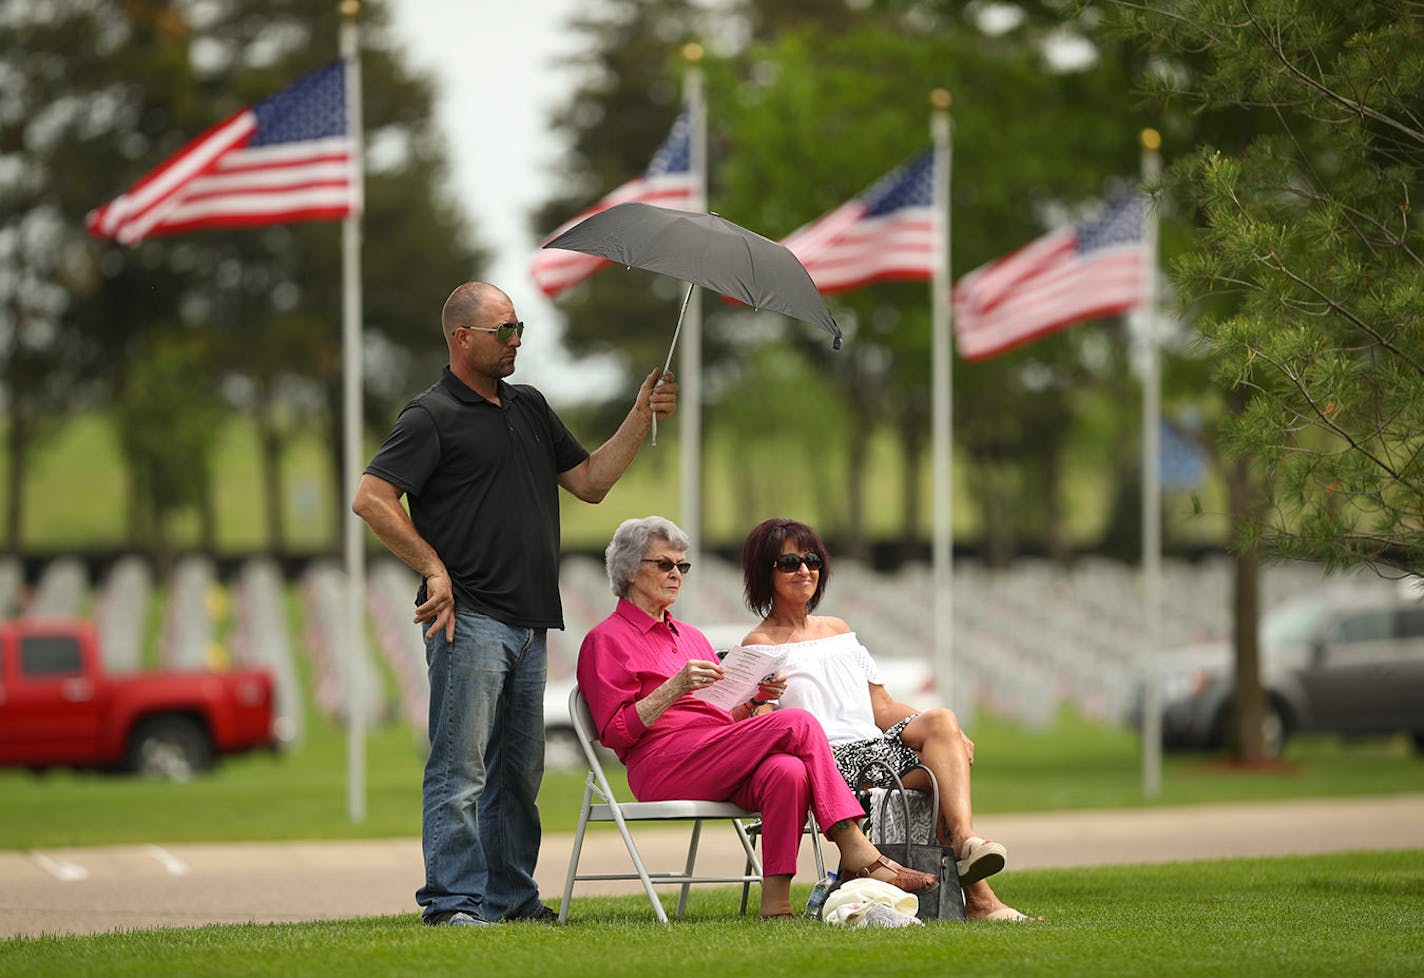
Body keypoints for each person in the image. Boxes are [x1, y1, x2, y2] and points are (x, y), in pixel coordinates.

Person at [352, 282, 678, 927]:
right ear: (461, 337)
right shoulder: (430, 414)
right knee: (461, 771)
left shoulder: (528, 406)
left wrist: (640, 414)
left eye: (519, 328)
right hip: (468, 620)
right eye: (503, 330)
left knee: (517, 777)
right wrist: (432, 568)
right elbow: (371, 498)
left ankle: (509, 899)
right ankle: (452, 905)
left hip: (530, 623)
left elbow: (590, 483)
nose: (516, 340)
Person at [577, 515, 937, 919]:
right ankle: (854, 846)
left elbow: (714, 715)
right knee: (797, 722)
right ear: (628, 570)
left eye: (683, 566)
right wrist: (672, 688)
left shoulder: (691, 636)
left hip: (713, 752)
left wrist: (751, 702)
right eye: (664, 564)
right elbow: (616, 734)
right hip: (661, 764)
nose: (676, 574)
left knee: (788, 772)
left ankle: (776, 904)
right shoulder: (604, 640)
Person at [739, 517, 1038, 923]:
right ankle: (981, 901)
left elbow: (882, 708)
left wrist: (948, 733)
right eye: (789, 562)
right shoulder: (760, 644)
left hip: (876, 752)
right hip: (827, 764)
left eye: (811, 560)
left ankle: (967, 843)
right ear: (764, 572)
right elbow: (765, 720)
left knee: (943, 722)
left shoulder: (839, 629)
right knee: (940, 784)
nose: (804, 570)